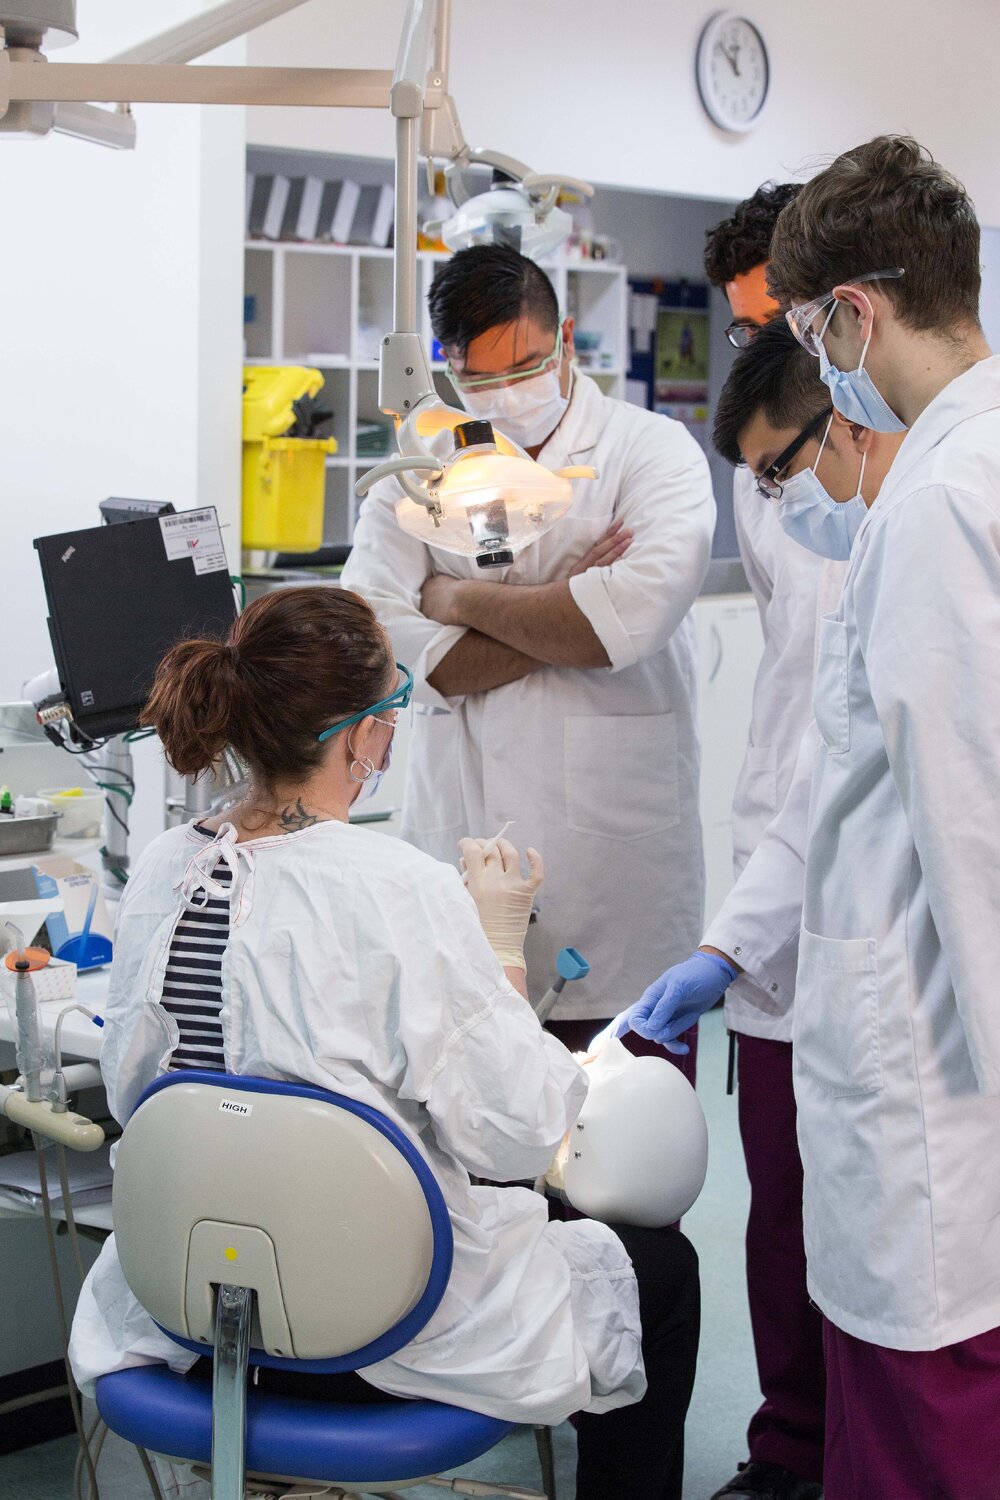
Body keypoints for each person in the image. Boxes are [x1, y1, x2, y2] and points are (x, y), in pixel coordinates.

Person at [68, 587, 701, 1500]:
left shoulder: (166, 867)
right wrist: (496, 951)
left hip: (187, 1311)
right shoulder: (398, 885)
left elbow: (138, 1094)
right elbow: (519, 1137)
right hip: (373, 1327)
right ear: (364, 735)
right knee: (659, 1270)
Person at [627, 135, 1000, 1499]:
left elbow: (979, 853)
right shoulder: (954, 483)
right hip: (908, 1098)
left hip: (935, 1131)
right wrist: (728, 952)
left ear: (853, 314)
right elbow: (844, 787)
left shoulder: (945, 508)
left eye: (802, 328)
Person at [341, 244, 715, 1063]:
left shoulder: (652, 454)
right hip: (463, 848)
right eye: (482, 377)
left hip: (617, 878)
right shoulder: (416, 474)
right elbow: (379, 641)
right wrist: (565, 604)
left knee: (627, 1154)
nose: (509, 392)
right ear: (446, 366)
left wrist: (458, 599)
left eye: (528, 364)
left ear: (568, 339)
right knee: (477, 1154)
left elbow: (618, 627)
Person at [701, 184, 837, 1500]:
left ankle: (853, 1450)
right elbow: (800, 705)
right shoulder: (768, 470)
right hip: (781, 876)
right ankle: (789, 1446)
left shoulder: (922, 472)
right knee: (782, 1211)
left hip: (871, 906)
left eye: (778, 320)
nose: (761, 344)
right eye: (742, 327)